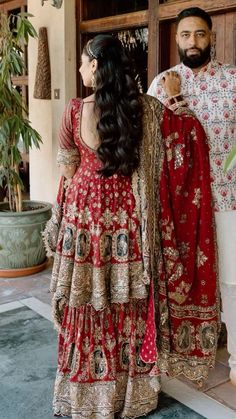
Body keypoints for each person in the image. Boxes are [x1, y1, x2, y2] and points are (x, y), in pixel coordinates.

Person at [44, 34, 220, 418]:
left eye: (82, 62)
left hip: (85, 220)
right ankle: (130, 393)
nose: (78, 68)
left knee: (87, 303)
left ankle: (83, 393)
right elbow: (188, 137)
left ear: (95, 65)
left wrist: (63, 221)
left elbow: (67, 173)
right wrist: (176, 100)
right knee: (127, 302)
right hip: (129, 220)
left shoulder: (73, 112)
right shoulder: (148, 110)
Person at [147, 6, 236, 385]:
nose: (192, 42)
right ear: (177, 39)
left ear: (212, 37)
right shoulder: (161, 86)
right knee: (176, 280)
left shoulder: (233, 81)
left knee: (232, 281)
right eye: (185, 35)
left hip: (227, 198)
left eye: (200, 34)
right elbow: (148, 144)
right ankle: (178, 356)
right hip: (180, 207)